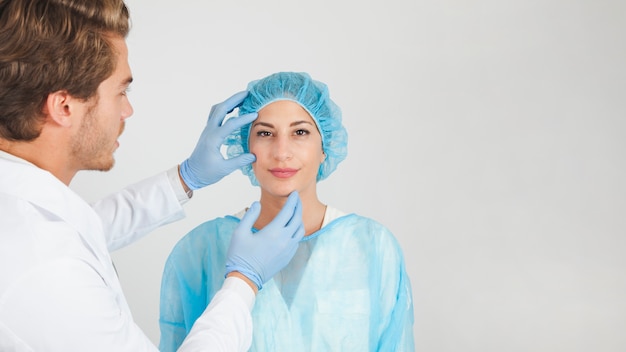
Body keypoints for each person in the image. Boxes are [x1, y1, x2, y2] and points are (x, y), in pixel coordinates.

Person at [0, 1, 305, 351]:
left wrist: (186, 178)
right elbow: (56, 250)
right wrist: (243, 281)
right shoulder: (45, 269)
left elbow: (84, 227)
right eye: (120, 91)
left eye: (300, 132)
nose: (127, 110)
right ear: (64, 107)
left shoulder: (23, 212)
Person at [159, 72, 415, 351]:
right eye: (265, 133)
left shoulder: (373, 246)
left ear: (325, 148)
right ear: (246, 145)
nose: (282, 152)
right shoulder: (198, 250)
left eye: (300, 132)